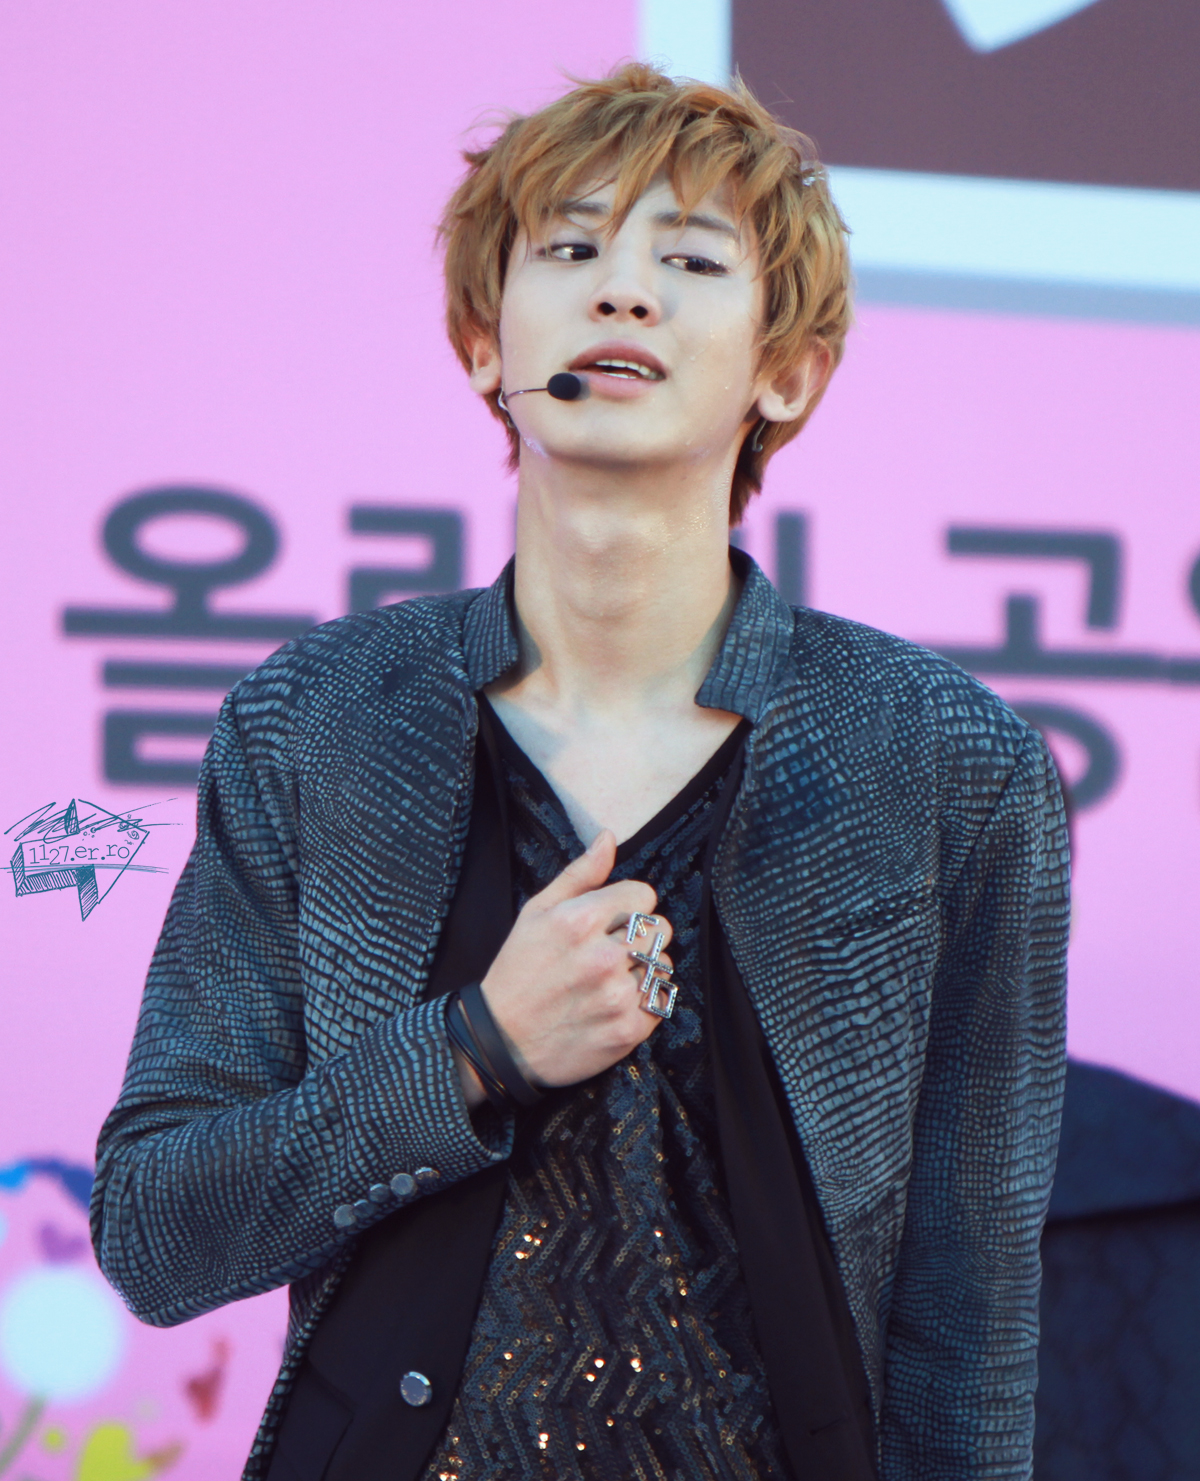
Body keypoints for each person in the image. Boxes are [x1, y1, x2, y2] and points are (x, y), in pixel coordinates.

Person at [90, 65, 1069, 1481]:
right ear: (485, 344)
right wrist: (474, 1048)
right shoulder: (315, 725)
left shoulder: (944, 766)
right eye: (569, 248)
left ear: (788, 372)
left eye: (690, 260)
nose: (622, 293)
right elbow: (156, 1232)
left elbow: (970, 1320)